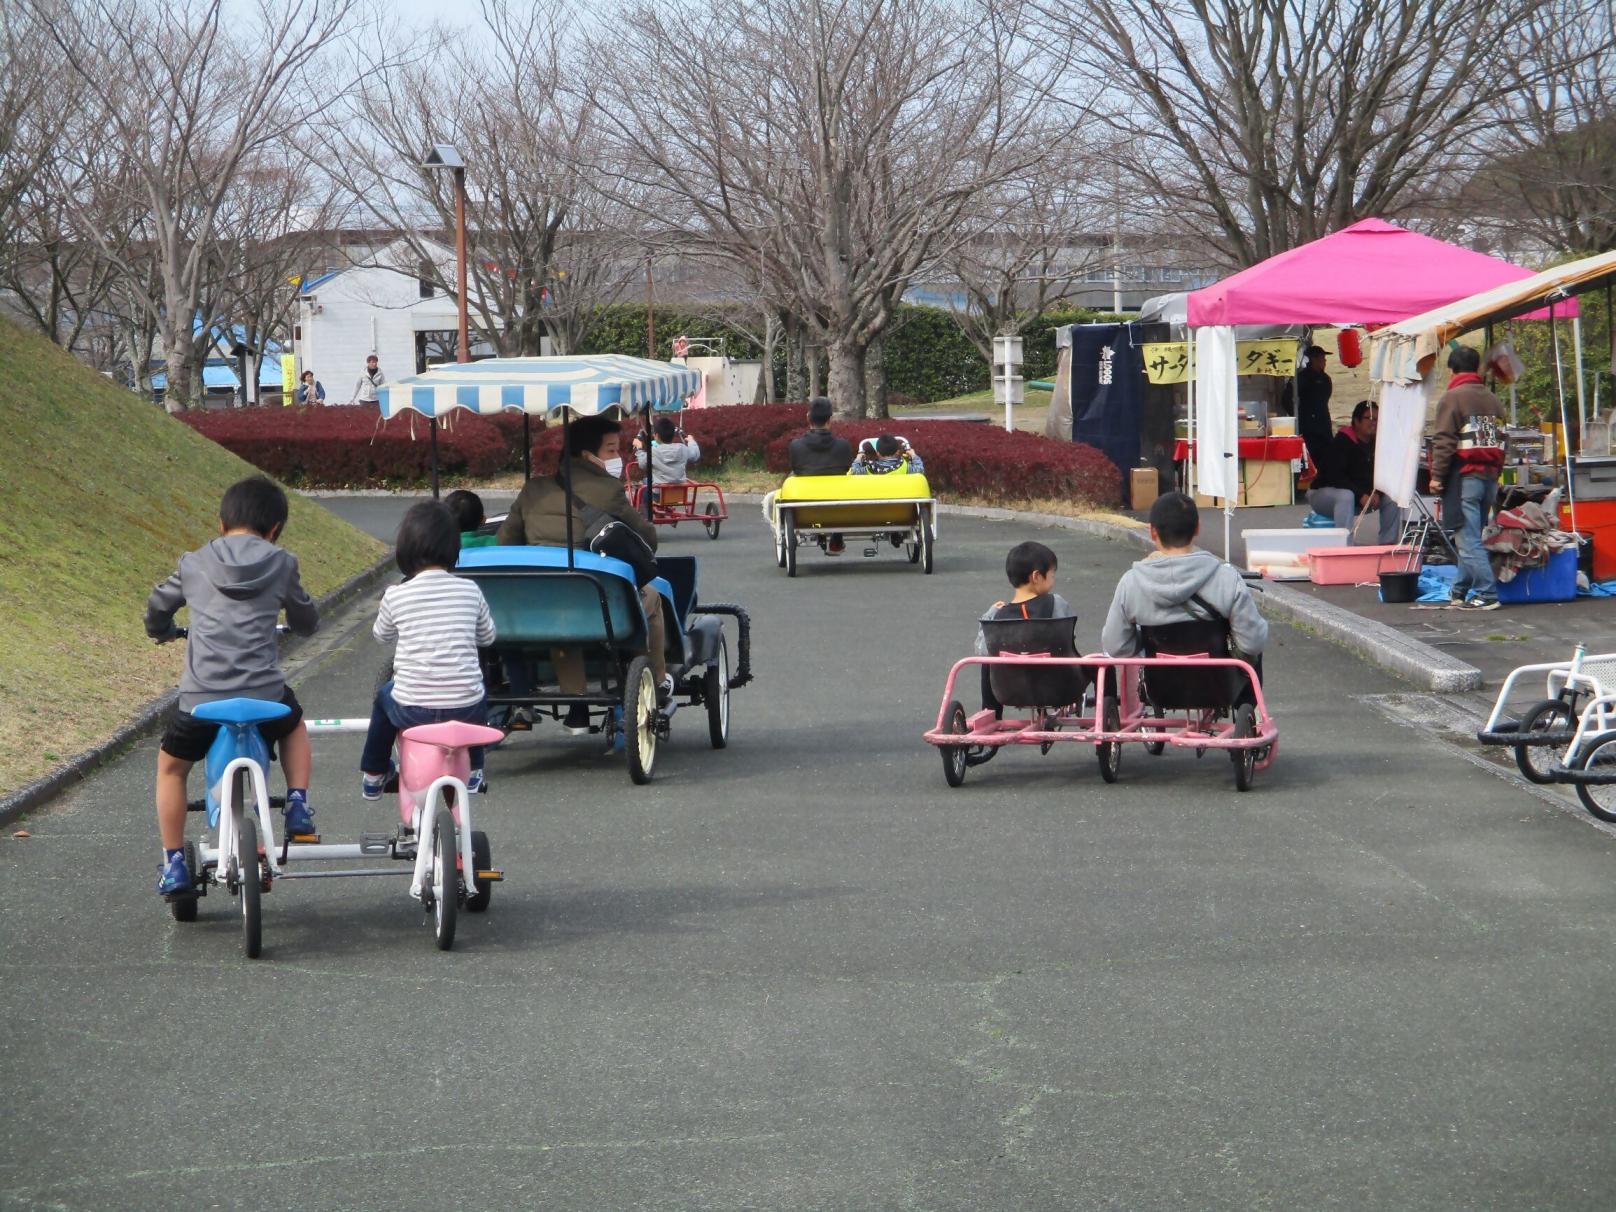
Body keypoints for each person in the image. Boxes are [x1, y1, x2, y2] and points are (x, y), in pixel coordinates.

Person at [144, 476, 320, 898]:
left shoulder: (193, 562)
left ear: (222, 522)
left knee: (171, 768)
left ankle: (173, 865)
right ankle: (296, 801)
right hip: (265, 697)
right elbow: (306, 620)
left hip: (202, 701)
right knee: (294, 724)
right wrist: (295, 623)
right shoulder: (282, 562)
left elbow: (157, 606)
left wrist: (163, 629)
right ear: (275, 528)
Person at [495, 414, 670, 730]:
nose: (619, 458)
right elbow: (648, 540)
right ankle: (656, 681)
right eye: (612, 450)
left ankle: (576, 705)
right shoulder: (609, 491)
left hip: (541, 608)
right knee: (653, 598)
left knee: (563, 611)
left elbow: (505, 541)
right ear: (586, 455)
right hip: (601, 608)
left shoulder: (533, 489)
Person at [361, 502, 497, 798]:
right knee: (476, 689)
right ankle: (474, 768)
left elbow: (380, 636)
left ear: (405, 549)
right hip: (465, 708)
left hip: (413, 708)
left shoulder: (397, 595)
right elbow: (487, 637)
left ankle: (374, 771)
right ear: (453, 548)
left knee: (384, 698)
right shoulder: (470, 590)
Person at [1102, 492, 1268, 692]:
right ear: (1197, 528)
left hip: (1159, 687)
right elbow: (1252, 642)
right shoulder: (1227, 579)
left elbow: (1115, 646)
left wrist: (1146, 639)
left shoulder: (1131, 583)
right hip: (1219, 685)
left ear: (1152, 532)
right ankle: (1248, 709)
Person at [1429, 345, 1507, 611]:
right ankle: (1460, 591)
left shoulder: (1453, 398)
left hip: (1464, 477)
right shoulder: (1493, 400)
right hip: (1489, 478)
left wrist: (1437, 477)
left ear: (1452, 369)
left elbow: (1444, 441)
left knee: (1467, 538)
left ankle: (1487, 593)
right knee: (1471, 536)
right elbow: (1502, 440)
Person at [973, 541, 1075, 736]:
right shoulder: (1057, 604)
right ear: (1037, 576)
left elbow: (981, 650)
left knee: (988, 661)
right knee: (1100, 663)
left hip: (1009, 689)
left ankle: (990, 711)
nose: (1053, 581)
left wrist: (990, 613)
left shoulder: (996, 616)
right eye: (1052, 575)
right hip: (1056, 687)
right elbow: (1067, 641)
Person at [1308, 400, 1402, 545]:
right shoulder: (1342, 442)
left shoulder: (1379, 443)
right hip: (1323, 496)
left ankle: (1388, 545)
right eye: (1369, 418)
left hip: (1362, 498)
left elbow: (1386, 472)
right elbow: (1336, 477)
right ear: (1356, 421)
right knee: (1346, 495)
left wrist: (1378, 492)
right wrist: (1361, 495)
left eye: (1377, 419)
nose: (1374, 423)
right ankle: (1344, 545)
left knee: (1393, 496)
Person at [787, 397, 854, 553]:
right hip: (837, 505)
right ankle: (837, 537)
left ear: (808, 418)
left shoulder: (796, 446)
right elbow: (846, 468)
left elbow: (795, 469)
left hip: (805, 504)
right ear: (830, 420)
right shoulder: (843, 446)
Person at [1282, 345, 1334, 474]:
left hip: (1323, 424)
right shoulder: (1301, 378)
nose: (1325, 361)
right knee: (1310, 458)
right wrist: (1298, 416)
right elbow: (1286, 399)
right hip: (1307, 427)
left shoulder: (1325, 378)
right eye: (1322, 358)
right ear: (1313, 359)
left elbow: (1325, 399)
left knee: (1328, 457)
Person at [634, 416, 701, 484]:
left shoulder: (654, 451)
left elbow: (642, 464)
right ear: (673, 434)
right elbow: (695, 455)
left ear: (656, 435)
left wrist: (639, 448)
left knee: (643, 484)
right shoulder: (682, 449)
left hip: (658, 491)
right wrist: (691, 441)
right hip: (680, 491)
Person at [852, 434, 925, 476]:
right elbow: (920, 469)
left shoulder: (869, 468)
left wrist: (858, 459)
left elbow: (854, 471)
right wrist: (913, 455)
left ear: (878, 453)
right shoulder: (905, 467)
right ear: (897, 452)